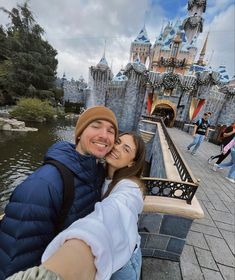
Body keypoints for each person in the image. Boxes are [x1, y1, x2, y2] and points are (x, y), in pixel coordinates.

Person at [0, 106, 118, 279]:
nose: (104, 135)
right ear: (79, 133)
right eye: (96, 126)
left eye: (111, 130)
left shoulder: (97, 173)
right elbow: (15, 261)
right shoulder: (43, 184)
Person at [8, 132, 146, 280]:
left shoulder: (129, 187)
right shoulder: (98, 174)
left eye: (126, 149)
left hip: (123, 265)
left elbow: (115, 211)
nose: (117, 148)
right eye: (117, 142)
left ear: (132, 163)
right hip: (107, 262)